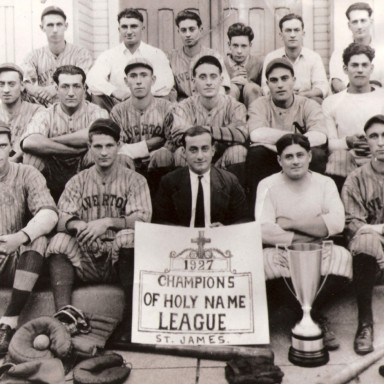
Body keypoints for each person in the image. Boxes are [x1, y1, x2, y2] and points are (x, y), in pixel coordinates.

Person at [47, 118, 152, 345]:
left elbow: (142, 219)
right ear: (89, 147)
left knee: (128, 238)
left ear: (119, 145)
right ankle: (63, 317)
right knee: (58, 241)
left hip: (118, 259)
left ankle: (131, 320)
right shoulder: (78, 181)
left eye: (109, 146)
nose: (104, 152)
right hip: (86, 257)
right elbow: (61, 218)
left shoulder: (135, 180)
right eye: (98, 146)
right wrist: (78, 225)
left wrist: (107, 222)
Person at [255, 133, 352, 351]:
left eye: (300, 155)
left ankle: (304, 315)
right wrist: (308, 232)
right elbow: (264, 229)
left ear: (309, 156)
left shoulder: (325, 183)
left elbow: (336, 223)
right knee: (264, 263)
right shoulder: (267, 185)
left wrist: (288, 223)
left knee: (343, 258)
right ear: (279, 160)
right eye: (288, 157)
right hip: (283, 250)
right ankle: (311, 316)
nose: (295, 161)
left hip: (320, 249)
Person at [0, 121, 58, 356]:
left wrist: (20, 236)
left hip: (11, 254)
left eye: (1, 145)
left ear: (11, 147)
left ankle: (8, 322)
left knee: (37, 239)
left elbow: (50, 213)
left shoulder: (25, 172)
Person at [246, 58, 328, 211]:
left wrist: (280, 142)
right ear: (268, 84)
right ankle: (258, 214)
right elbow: (256, 134)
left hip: (298, 156)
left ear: (294, 80)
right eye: (274, 80)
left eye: (284, 78)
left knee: (316, 154)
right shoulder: (259, 104)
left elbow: (320, 135)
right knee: (256, 154)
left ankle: (312, 210)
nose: (280, 85)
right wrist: (297, 138)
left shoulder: (308, 104)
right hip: (272, 158)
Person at [21, 65, 108, 202]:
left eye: (76, 86)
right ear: (56, 89)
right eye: (65, 86)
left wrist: (50, 140)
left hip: (85, 171)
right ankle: (39, 208)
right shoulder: (46, 113)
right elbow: (29, 142)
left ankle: (93, 208)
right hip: (53, 173)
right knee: (31, 157)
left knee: (96, 152)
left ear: (84, 88)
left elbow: (94, 135)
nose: (71, 92)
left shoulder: (96, 112)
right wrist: (72, 151)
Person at [170, 55, 248, 186]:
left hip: (223, 160)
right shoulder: (184, 106)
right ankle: (189, 201)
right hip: (195, 159)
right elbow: (178, 134)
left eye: (213, 76)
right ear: (193, 82)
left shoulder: (234, 105)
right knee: (180, 153)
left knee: (238, 151)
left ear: (221, 80)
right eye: (202, 77)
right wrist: (225, 132)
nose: (208, 82)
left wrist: (198, 130)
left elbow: (241, 134)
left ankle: (233, 200)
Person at [342, 114, 384, 355]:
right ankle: (365, 323)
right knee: (365, 240)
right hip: (373, 248)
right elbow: (353, 224)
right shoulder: (355, 179)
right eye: (374, 136)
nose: (381, 142)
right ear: (366, 142)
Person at [153, 126, 249, 226]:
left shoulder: (230, 181)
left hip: (218, 240)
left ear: (212, 151)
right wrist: (179, 232)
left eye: (205, 149)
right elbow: (159, 221)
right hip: (181, 240)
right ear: (184, 153)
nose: (200, 156)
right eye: (193, 150)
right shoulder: (169, 182)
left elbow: (244, 219)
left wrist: (225, 230)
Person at [86, 8, 174, 112]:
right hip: (119, 104)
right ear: (119, 29)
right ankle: (107, 126)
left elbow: (166, 82)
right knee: (96, 93)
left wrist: (141, 96)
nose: (129, 31)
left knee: (166, 96)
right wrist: (115, 91)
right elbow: (93, 79)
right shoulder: (109, 55)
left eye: (133, 26)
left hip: (148, 104)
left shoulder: (156, 54)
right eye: (124, 27)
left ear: (142, 28)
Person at [323, 43, 384, 191]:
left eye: (364, 65)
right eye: (354, 65)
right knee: (338, 159)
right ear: (345, 69)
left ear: (371, 68)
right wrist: (348, 141)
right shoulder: (331, 102)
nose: (360, 70)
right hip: (348, 161)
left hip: (379, 156)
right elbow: (329, 144)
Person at [110, 57, 174, 196]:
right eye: (133, 76)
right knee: (121, 159)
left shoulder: (166, 107)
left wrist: (138, 150)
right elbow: (116, 146)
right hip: (129, 166)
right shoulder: (118, 111)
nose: (138, 81)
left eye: (144, 75)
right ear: (126, 81)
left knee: (163, 155)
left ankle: (161, 208)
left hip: (158, 167)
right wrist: (151, 144)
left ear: (153, 80)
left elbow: (172, 143)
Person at [21, 6, 93, 106]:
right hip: (44, 108)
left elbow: (84, 80)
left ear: (66, 26)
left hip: (73, 107)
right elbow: (26, 82)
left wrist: (54, 89)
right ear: (42, 28)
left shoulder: (81, 53)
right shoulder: (34, 56)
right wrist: (40, 92)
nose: (55, 30)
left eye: (59, 24)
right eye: (50, 25)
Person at [261, 13, 329, 103]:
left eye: (296, 30)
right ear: (281, 35)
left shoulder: (313, 57)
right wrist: (286, 94)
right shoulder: (271, 57)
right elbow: (265, 87)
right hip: (279, 102)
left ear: (303, 34)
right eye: (288, 30)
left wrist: (303, 95)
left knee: (317, 101)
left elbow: (322, 87)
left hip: (305, 102)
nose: (292, 35)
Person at [168, 9, 231, 102]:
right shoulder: (172, 58)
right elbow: (170, 92)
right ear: (178, 31)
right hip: (182, 108)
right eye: (183, 30)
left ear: (200, 30)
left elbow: (222, 88)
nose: (188, 34)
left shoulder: (213, 56)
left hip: (208, 106)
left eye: (192, 29)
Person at [329, 2, 384, 93]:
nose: (359, 26)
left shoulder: (382, 50)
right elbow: (336, 82)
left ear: (371, 22)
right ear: (349, 25)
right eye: (355, 22)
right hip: (349, 101)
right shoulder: (339, 52)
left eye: (363, 21)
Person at [0, 63, 43, 162]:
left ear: (22, 86)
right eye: (1, 84)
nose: (6, 90)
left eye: (11, 84)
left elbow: (37, 141)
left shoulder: (36, 111)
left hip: (27, 169)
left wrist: (15, 158)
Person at [224, 22, 263, 108]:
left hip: (253, 107)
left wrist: (248, 83)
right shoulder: (222, 63)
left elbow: (265, 89)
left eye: (244, 46)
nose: (239, 51)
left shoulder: (259, 63)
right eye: (235, 45)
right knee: (231, 89)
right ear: (229, 45)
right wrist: (229, 82)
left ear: (250, 45)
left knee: (252, 88)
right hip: (229, 108)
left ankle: (255, 120)